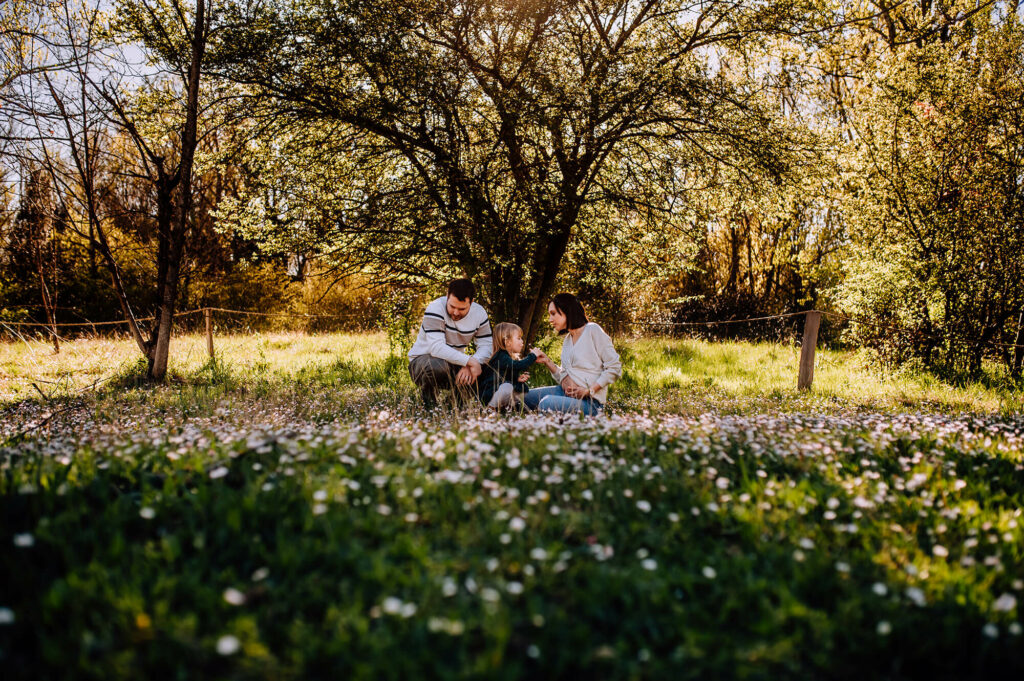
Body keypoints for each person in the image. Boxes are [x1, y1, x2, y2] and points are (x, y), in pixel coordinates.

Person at [525, 293, 621, 415]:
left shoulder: (592, 330)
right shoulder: (568, 340)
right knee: (521, 397)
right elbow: (565, 377)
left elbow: (615, 367)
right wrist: (547, 361)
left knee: (546, 403)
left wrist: (589, 391)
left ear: (567, 310)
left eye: (553, 314)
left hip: (589, 402)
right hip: (564, 393)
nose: (550, 319)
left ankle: (544, 428)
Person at [408, 279, 493, 409]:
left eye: (462, 308)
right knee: (437, 366)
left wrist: (471, 363)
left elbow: (487, 346)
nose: (455, 312)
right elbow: (437, 348)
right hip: (423, 363)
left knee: (491, 370)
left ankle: (453, 404)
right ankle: (429, 403)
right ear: (447, 296)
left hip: (454, 363)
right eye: (452, 306)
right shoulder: (435, 308)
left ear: (472, 302)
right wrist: (470, 361)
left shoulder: (479, 313)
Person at [476, 322, 545, 410]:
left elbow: (504, 377)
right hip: (489, 392)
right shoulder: (501, 356)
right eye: (519, 338)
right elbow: (519, 365)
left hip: (496, 390)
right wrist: (533, 355)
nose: (522, 341)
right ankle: (490, 408)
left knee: (521, 391)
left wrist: (517, 379)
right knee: (507, 387)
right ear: (508, 342)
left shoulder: (506, 357)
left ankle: (505, 408)